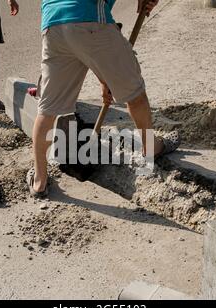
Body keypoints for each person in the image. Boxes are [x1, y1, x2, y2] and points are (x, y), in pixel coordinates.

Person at [27, 0, 180, 198]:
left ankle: (39, 182)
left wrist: (105, 79)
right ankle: (150, 146)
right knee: (135, 94)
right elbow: (91, 33)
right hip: (89, 18)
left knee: (47, 109)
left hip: (52, 25)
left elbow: (86, 46)